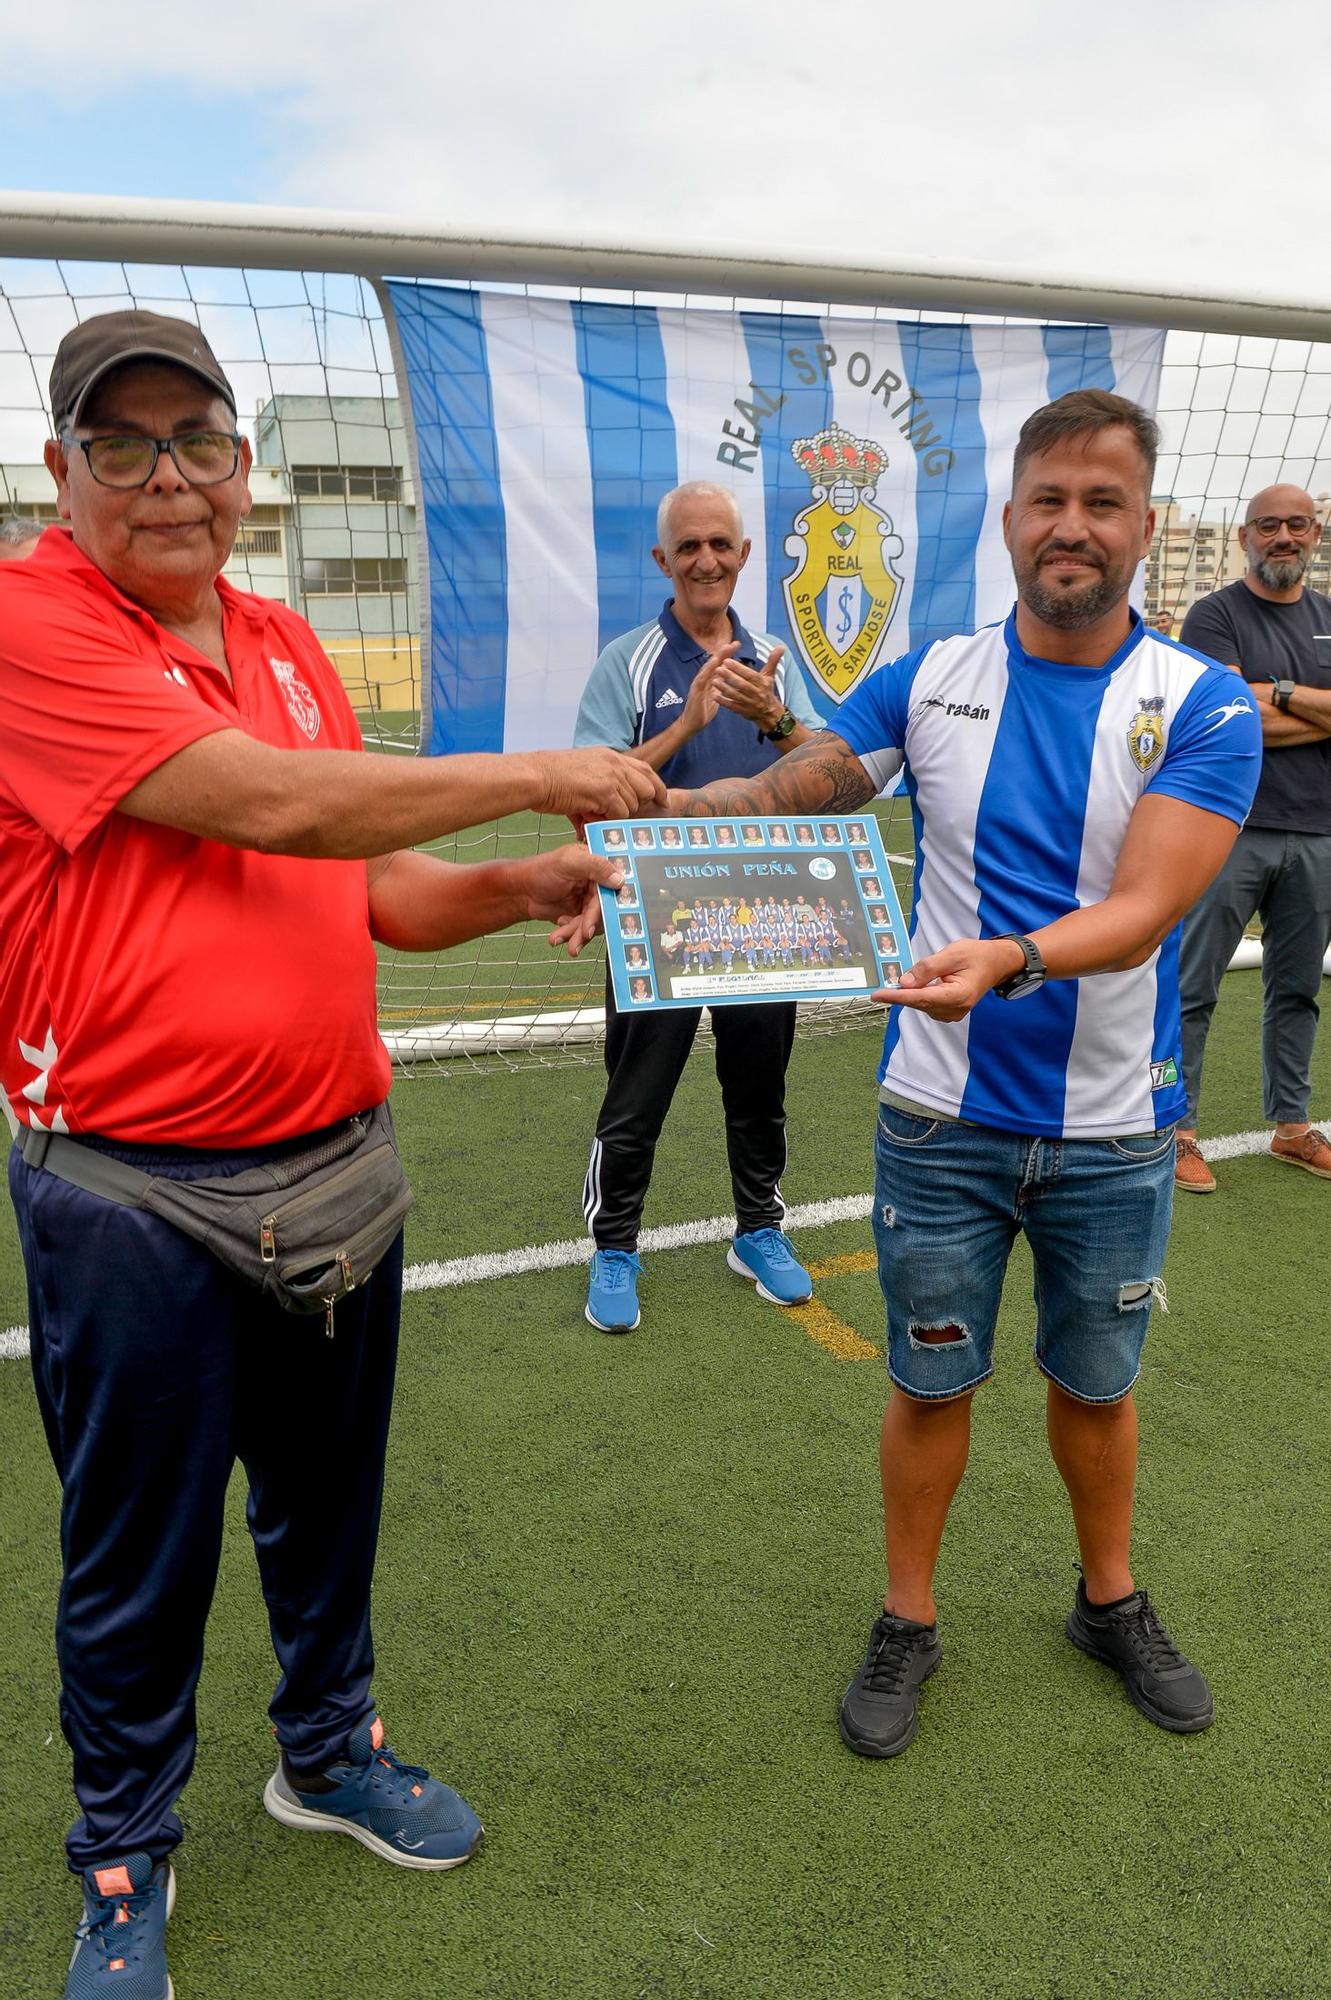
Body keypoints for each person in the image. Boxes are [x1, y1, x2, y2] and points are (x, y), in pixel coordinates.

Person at [0, 310, 662, 2000]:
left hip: (337, 1170)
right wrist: (540, 780)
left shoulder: (287, 639)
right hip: (136, 1195)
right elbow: (275, 807)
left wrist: (515, 883)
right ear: (62, 472)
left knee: (322, 1512)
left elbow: (362, 888)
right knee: (136, 1560)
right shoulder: (25, 625)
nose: (169, 479)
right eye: (124, 445)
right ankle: (127, 1856)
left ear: (244, 467)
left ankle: (328, 1748)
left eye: (199, 442)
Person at [659, 390, 1261, 1756]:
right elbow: (795, 786)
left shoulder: (1198, 701)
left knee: (1094, 1386)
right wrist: (637, 832)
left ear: (1140, 526)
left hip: (1110, 1128)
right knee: (929, 1382)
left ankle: (1104, 1600)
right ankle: (906, 1618)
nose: (1070, 526)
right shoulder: (926, 677)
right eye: (1047, 499)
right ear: (1007, 522)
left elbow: (1143, 908)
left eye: (1100, 502)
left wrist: (1008, 959)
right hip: (937, 1118)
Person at [574, 480, 824, 1333]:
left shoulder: (771, 659)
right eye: (689, 547)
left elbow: (826, 775)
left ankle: (758, 1230)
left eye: (720, 544)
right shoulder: (630, 662)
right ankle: (614, 1246)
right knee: (636, 1093)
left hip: (760, 909)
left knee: (759, 1086)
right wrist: (688, 726)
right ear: (663, 561)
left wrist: (777, 716)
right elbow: (594, 793)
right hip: (653, 909)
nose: (706, 560)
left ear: (744, 555)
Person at [1173, 485, 1331, 1192]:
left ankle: (1291, 1128)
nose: (1283, 537)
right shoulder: (1213, 615)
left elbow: (1259, 708)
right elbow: (1233, 721)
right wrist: (1314, 707)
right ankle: (1173, 1130)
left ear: (1315, 535)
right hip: (1227, 827)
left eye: (1296, 525)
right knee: (1191, 987)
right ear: (1244, 537)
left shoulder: (1328, 615)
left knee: (1296, 989)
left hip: (1318, 830)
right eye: (1268, 526)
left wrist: (1277, 692)